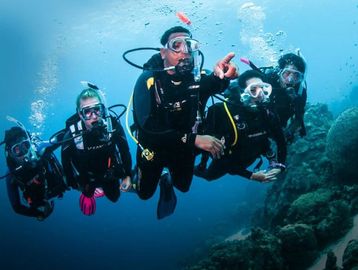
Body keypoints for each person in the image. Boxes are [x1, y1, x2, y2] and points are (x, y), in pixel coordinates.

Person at [131, 26, 238, 206]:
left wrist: (227, 75)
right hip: (153, 147)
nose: (185, 51)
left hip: (183, 148)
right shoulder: (148, 80)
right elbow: (147, 128)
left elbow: (218, 83)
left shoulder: (197, 79)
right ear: (163, 53)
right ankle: (143, 174)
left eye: (190, 45)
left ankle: (167, 179)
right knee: (144, 194)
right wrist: (194, 140)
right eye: (177, 45)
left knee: (183, 187)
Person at [195, 70, 287, 182]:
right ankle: (195, 167)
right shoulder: (222, 112)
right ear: (243, 92)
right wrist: (251, 175)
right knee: (209, 176)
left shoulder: (267, 112)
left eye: (263, 88)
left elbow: (281, 140)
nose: (260, 94)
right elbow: (224, 160)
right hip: (230, 159)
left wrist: (280, 165)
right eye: (253, 90)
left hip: (252, 153)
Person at [61, 85, 132, 215]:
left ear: (102, 109)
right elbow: (66, 164)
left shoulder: (112, 125)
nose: (93, 116)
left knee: (115, 198)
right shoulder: (72, 134)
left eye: (97, 110)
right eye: (87, 112)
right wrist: (79, 187)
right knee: (88, 193)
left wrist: (128, 175)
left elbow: (124, 151)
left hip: (110, 173)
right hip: (87, 178)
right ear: (79, 114)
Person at [3, 122, 66, 220]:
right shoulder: (11, 174)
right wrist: (39, 214)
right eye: (17, 150)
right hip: (39, 201)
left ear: (30, 144)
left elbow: (63, 136)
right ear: (11, 154)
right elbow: (16, 207)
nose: (24, 153)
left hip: (59, 187)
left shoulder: (40, 150)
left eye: (25, 145)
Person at [262, 53, 307, 143]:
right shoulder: (266, 80)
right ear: (280, 71)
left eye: (296, 76)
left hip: (280, 125)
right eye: (287, 73)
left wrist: (289, 132)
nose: (290, 80)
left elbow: (299, 116)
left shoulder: (300, 92)